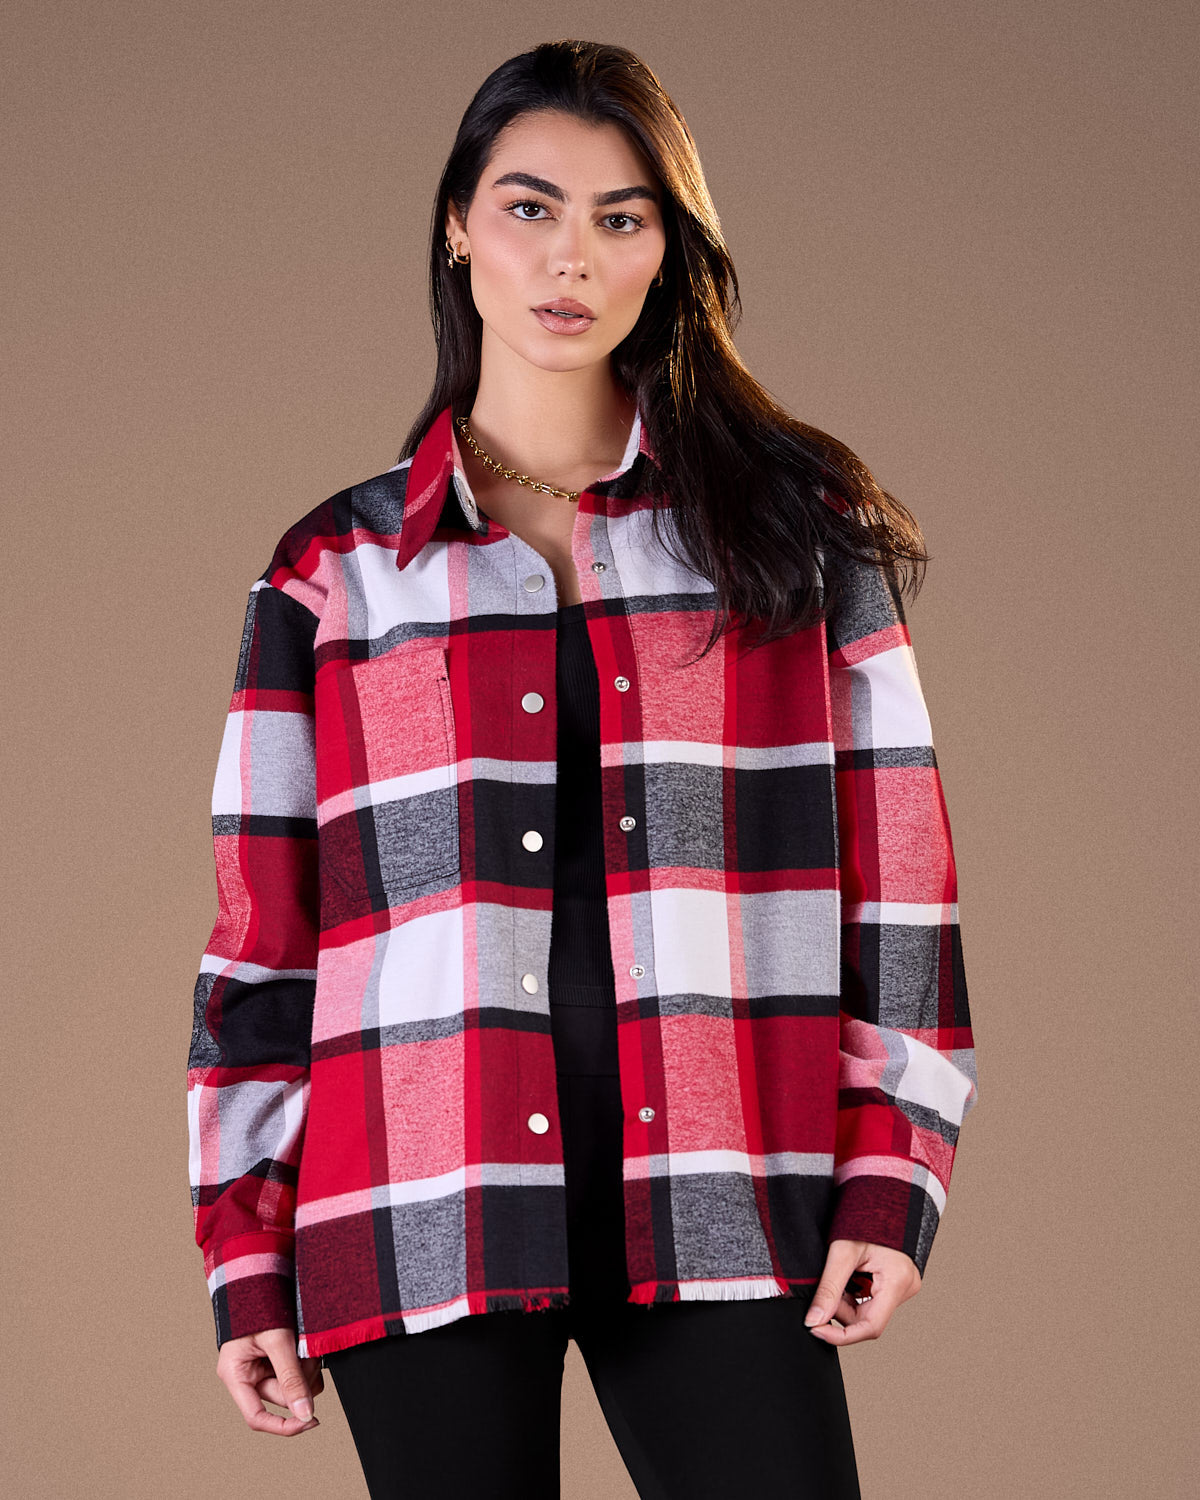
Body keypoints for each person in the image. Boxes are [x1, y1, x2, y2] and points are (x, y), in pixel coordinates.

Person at [186, 38, 979, 1499]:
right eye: (530, 207)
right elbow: (265, 949)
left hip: (725, 1190)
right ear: (458, 227)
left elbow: (904, 886)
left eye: (622, 218)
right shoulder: (333, 575)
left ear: (667, 252)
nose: (572, 258)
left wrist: (892, 1167)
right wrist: (246, 1247)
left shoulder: (794, 537)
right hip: (421, 1198)